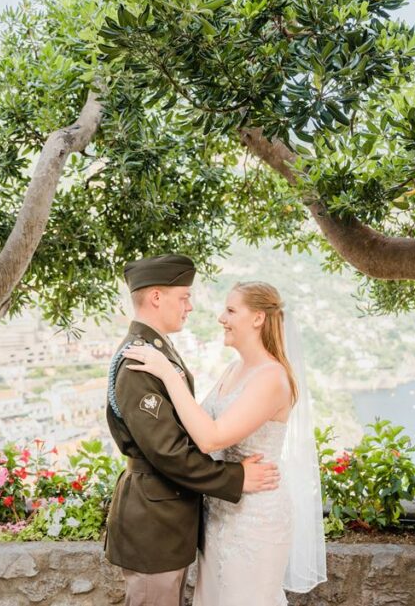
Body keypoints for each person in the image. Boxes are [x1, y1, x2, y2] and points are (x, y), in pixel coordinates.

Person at [123, 280, 327, 605]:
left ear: (258, 318)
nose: (221, 317)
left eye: (231, 310)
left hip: (255, 519)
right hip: (220, 514)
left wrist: (168, 374)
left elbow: (210, 437)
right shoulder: (234, 369)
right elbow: (192, 424)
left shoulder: (272, 378)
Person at [104, 255, 282, 606]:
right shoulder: (140, 361)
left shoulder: (158, 351)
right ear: (157, 297)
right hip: (154, 525)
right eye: (184, 296)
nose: (190, 306)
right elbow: (169, 452)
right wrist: (235, 478)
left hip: (169, 520)